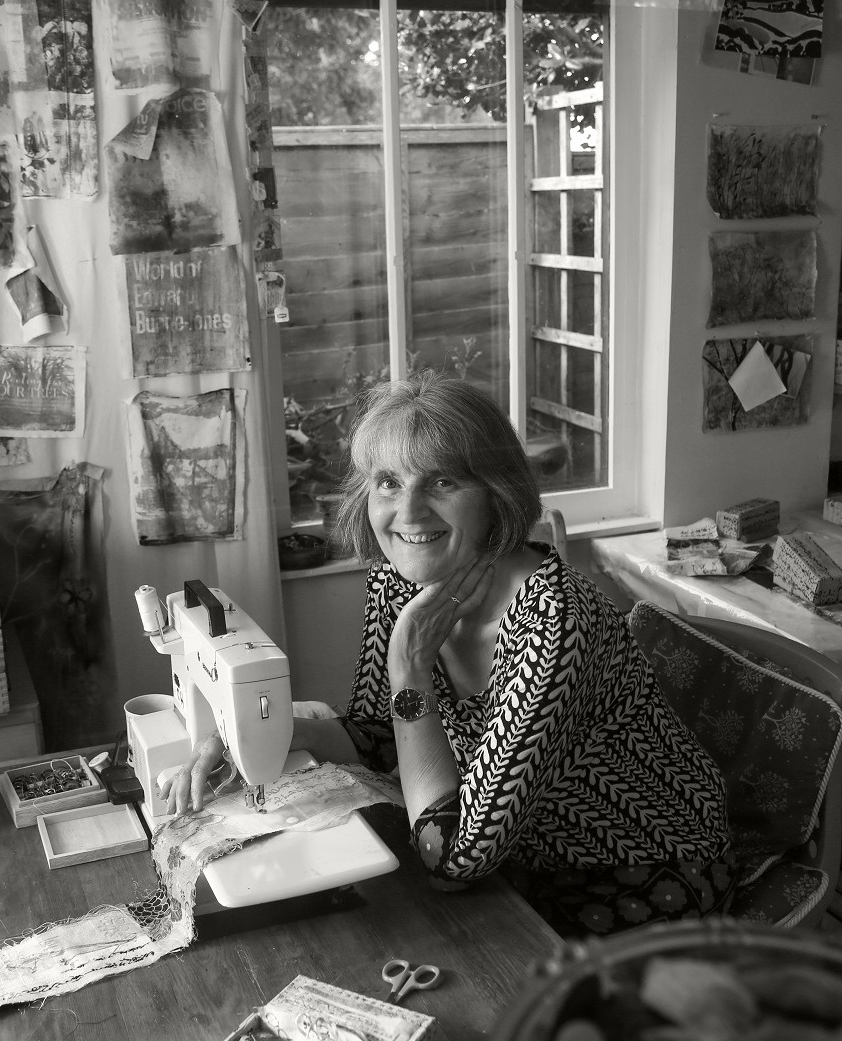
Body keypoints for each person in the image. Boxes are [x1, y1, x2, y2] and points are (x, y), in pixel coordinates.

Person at [161, 370, 736, 936]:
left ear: (497, 494)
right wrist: (256, 738)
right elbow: (379, 733)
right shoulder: (399, 579)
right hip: (514, 854)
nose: (407, 513)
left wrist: (408, 668)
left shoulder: (554, 624)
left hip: (635, 874)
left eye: (441, 483)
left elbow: (452, 859)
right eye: (388, 482)